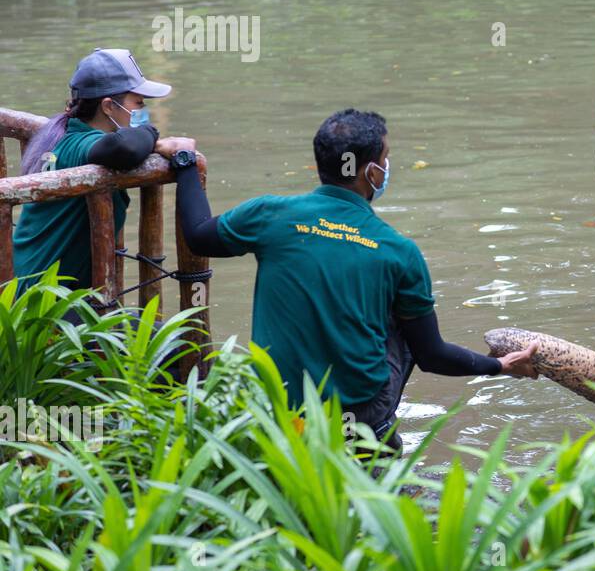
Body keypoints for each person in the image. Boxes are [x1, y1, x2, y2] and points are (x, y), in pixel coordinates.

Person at [173, 108, 537, 450]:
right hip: (354, 420)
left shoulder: (269, 214)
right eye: (386, 157)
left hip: (278, 408)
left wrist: (186, 162)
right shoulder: (398, 250)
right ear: (372, 173)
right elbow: (432, 356)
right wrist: (500, 366)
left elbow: (199, 234)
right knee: (409, 325)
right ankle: (377, 440)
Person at [13, 48, 195, 294]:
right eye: (139, 103)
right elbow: (125, 147)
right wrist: (154, 137)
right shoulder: (80, 144)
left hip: (33, 293)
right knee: (175, 335)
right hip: (45, 305)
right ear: (109, 106)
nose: (144, 112)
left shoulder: (64, 133)